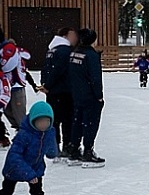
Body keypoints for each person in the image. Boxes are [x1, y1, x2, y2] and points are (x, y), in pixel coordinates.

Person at [68, 28, 105, 165]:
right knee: (90, 123)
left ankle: (74, 149)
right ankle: (88, 151)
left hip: (77, 94)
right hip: (89, 96)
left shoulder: (74, 53)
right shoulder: (91, 55)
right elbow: (95, 77)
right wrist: (99, 96)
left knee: (77, 122)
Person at [39, 28, 78, 157]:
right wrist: (48, 84)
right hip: (64, 91)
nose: (75, 38)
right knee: (67, 120)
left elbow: (45, 68)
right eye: (73, 35)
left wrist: (45, 84)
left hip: (53, 92)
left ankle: (54, 146)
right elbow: (58, 70)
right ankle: (66, 146)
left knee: (54, 120)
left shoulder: (51, 50)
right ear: (65, 36)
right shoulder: (65, 51)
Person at [0, 24, 26, 131]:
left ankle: (26, 134)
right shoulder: (0, 50)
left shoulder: (9, 48)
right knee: (8, 111)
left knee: (19, 113)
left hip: (16, 86)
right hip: (6, 87)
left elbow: (8, 66)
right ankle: (20, 132)